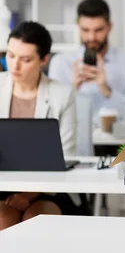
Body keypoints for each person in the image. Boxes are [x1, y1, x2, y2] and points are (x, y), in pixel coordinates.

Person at [0, 21, 77, 230]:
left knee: (36, 221)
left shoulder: (62, 94)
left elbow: (67, 155)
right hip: (2, 185)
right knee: (3, 219)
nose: (14, 66)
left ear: (44, 60)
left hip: (49, 188)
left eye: (25, 60)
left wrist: (28, 194)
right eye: (10, 55)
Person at [49, 0, 125, 122]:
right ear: (78, 27)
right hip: (73, 140)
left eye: (98, 30)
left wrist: (107, 91)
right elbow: (51, 114)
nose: (91, 37)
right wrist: (72, 89)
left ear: (109, 27)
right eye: (85, 30)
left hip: (116, 141)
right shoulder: (61, 63)